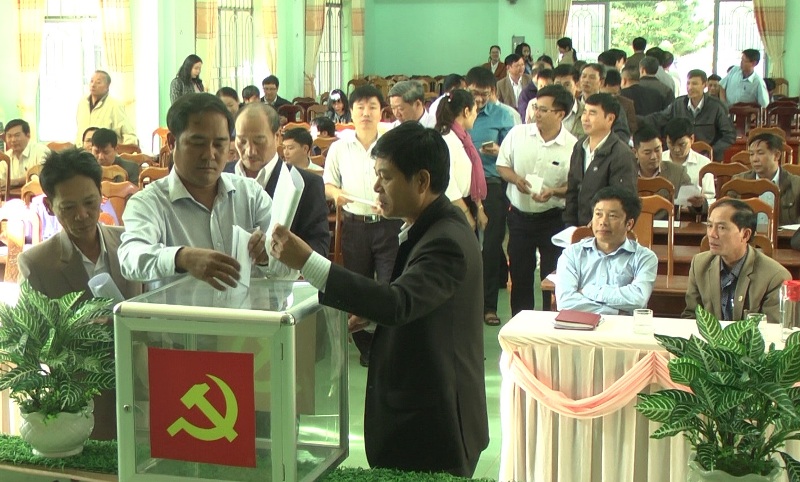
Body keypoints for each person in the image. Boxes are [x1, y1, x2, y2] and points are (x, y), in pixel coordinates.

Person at [270, 121, 489, 477]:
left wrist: (309, 262)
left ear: (421, 181)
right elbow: (419, 300)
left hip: (435, 427)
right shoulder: (430, 226)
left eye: (385, 177)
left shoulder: (445, 240)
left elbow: (398, 303)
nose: (376, 187)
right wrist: (372, 315)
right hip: (424, 414)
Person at [18, 148, 142, 441]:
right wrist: (74, 330)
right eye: (69, 207)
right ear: (49, 206)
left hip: (142, 389)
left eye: (89, 202)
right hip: (83, 402)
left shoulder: (131, 243)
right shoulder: (37, 264)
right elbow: (30, 343)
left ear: (101, 195)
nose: (82, 215)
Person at [118, 93, 296, 289]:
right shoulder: (148, 202)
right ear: (172, 142)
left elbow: (291, 269)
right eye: (198, 143)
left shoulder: (251, 194)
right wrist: (181, 258)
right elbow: (130, 258)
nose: (209, 154)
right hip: (180, 310)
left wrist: (267, 257)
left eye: (219, 144)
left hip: (247, 309)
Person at [323, 85, 403, 366]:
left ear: (381, 112)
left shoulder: (392, 144)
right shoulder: (339, 147)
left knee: (390, 284)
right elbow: (328, 184)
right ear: (351, 112)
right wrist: (336, 194)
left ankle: (388, 344)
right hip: (355, 225)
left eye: (372, 107)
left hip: (389, 225)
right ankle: (366, 348)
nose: (366, 113)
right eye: (360, 107)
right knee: (358, 287)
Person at [497, 85, 577, 315]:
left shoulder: (572, 146)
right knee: (520, 276)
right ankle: (521, 323)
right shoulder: (518, 134)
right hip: (519, 218)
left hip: (553, 220)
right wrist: (516, 179)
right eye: (535, 107)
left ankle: (550, 323)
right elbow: (502, 165)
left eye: (543, 110)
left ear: (560, 114)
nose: (536, 114)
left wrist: (554, 191)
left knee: (552, 278)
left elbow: (574, 186)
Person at [224, 103, 330, 256]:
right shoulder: (221, 176)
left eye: (259, 141)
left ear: (277, 136)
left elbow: (319, 249)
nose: (250, 151)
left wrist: (283, 252)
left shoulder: (306, 184)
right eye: (242, 141)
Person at [682, 199, 790, 322]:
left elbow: (772, 328)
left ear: (745, 235)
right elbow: (691, 316)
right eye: (710, 225)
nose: (712, 234)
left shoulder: (775, 277)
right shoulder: (699, 264)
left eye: (722, 227)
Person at [556, 186, 658, 314]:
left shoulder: (645, 257)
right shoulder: (572, 254)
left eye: (612, 216)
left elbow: (637, 299)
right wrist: (615, 312)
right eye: (598, 214)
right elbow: (565, 302)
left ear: (629, 224)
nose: (603, 222)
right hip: (581, 325)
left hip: (624, 326)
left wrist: (588, 291)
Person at [465, 66, 515, 326]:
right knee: (465, 245)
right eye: (475, 93)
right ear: (466, 88)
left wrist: (499, 150)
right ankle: (467, 305)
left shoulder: (503, 115)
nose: (479, 99)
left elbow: (513, 153)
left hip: (492, 184)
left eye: (484, 94)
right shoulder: (458, 113)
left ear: (493, 91)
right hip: (462, 188)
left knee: (492, 246)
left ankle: (489, 307)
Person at [564, 93, 637, 227]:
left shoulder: (621, 154)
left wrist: (598, 223)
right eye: (584, 112)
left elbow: (623, 199)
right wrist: (570, 225)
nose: (585, 118)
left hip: (606, 229)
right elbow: (572, 190)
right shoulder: (579, 147)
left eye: (592, 113)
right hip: (577, 227)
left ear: (610, 118)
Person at [641, 70, 735, 162]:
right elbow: (659, 118)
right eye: (688, 83)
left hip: (708, 158)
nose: (690, 87)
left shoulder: (716, 107)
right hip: (679, 156)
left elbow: (729, 135)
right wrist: (638, 121)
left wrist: (712, 151)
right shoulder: (678, 104)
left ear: (705, 85)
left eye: (694, 84)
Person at [434, 89, 487, 231]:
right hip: (454, 207)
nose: (476, 115)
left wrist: (479, 208)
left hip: (467, 202)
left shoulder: (463, 138)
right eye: (475, 110)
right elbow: (448, 183)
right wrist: (466, 214)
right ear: (466, 111)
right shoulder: (447, 139)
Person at [634, 125, 704, 218]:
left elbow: (694, 206)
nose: (654, 157)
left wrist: (698, 205)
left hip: (666, 225)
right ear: (635, 152)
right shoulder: (625, 173)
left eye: (657, 150)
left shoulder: (678, 172)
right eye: (647, 153)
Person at [730, 132, 800, 225]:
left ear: (776, 155)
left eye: (760, 153)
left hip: (785, 234)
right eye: (751, 154)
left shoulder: (796, 185)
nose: (754, 159)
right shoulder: (739, 181)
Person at [75, 70, 137, 146]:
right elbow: (79, 132)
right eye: (91, 81)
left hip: (104, 151)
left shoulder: (115, 105)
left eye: (98, 82)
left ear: (107, 86)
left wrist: (121, 151)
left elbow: (129, 135)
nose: (93, 85)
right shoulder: (82, 103)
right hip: (83, 151)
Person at [661, 117, 716, 195]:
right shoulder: (659, 159)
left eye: (682, 144)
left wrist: (702, 201)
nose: (676, 150)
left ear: (692, 139)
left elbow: (709, 196)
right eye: (671, 144)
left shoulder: (704, 163)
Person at [579, 63, 631, 142]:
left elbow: (622, 134)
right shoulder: (573, 103)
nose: (586, 80)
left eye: (592, 77)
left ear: (601, 82)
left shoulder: (610, 103)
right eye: (583, 76)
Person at [2, 119, 50, 189]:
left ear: (28, 135)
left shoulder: (41, 151)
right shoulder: (6, 157)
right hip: (12, 195)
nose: (13, 140)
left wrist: (14, 182)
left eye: (17, 135)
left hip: (37, 194)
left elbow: (44, 176)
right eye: (9, 136)